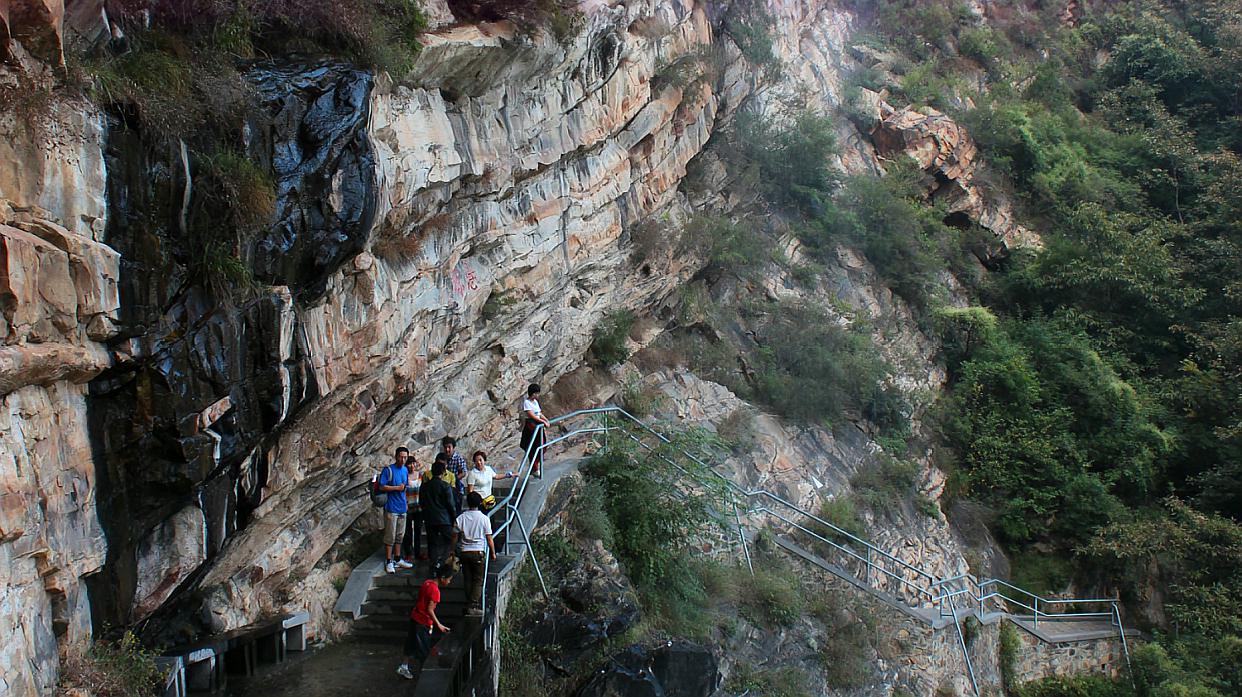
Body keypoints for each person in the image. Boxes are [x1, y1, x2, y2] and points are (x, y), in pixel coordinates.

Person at [396, 561, 455, 680]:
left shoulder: (427, 583)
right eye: (449, 579)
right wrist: (439, 625)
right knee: (424, 650)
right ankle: (426, 676)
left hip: (415, 617)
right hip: (422, 622)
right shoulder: (435, 591)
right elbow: (430, 609)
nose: (449, 582)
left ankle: (404, 665)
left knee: (411, 643)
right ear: (442, 578)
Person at [453, 492, 496, 616]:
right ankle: (472, 605)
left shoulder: (461, 518)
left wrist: (452, 549)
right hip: (478, 551)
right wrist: (493, 553)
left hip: (464, 551)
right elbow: (489, 538)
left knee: (467, 578)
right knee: (478, 580)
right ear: (480, 503)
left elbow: (454, 536)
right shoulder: (484, 518)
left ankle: (469, 603)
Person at [378, 447, 415, 574]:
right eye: (401, 457)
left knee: (400, 535)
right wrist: (396, 488)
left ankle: (398, 558)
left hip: (402, 506)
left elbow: (404, 487)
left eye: (405, 457)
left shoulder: (405, 470)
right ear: (396, 456)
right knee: (390, 535)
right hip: (391, 507)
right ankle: (389, 560)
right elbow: (382, 486)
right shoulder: (388, 470)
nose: (403, 459)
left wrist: (405, 501)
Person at [421, 459, 457, 567]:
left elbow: (421, 502)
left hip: (429, 518)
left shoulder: (424, 486)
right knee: (451, 540)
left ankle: (433, 566)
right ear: (443, 472)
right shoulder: (445, 486)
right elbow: (450, 504)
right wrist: (453, 517)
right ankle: (444, 561)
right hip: (444, 518)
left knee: (432, 544)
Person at [520, 383, 551, 476]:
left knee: (542, 446)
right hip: (532, 426)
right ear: (533, 393)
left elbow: (539, 413)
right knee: (533, 446)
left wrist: (546, 420)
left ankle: (535, 466)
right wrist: (542, 421)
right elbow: (531, 415)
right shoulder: (527, 402)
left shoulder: (535, 402)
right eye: (537, 393)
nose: (538, 395)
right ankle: (534, 468)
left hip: (538, 424)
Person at [402, 454, 426, 563]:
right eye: (409, 464)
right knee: (407, 531)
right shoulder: (404, 476)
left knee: (418, 530)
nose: (412, 466)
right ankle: (408, 552)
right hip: (407, 506)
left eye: (413, 463)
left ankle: (418, 552)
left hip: (419, 506)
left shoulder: (420, 475)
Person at [440, 436, 469, 511]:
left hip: (456, 489)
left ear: (453, 447)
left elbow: (464, 472)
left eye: (449, 447)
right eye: (445, 447)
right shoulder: (442, 458)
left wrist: (453, 478)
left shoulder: (458, 459)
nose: (447, 450)